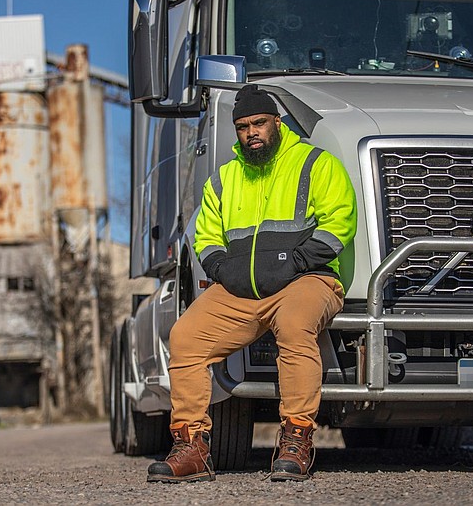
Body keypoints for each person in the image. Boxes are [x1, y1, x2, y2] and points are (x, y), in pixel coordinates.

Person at [147, 84, 357, 483]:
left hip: (309, 280)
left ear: (276, 123)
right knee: (185, 337)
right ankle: (191, 447)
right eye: (243, 126)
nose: (251, 133)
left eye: (259, 123)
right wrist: (224, 271)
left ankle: (296, 440)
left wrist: (295, 261)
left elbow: (340, 221)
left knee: (295, 326)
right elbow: (205, 236)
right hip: (242, 291)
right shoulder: (224, 179)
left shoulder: (316, 164)